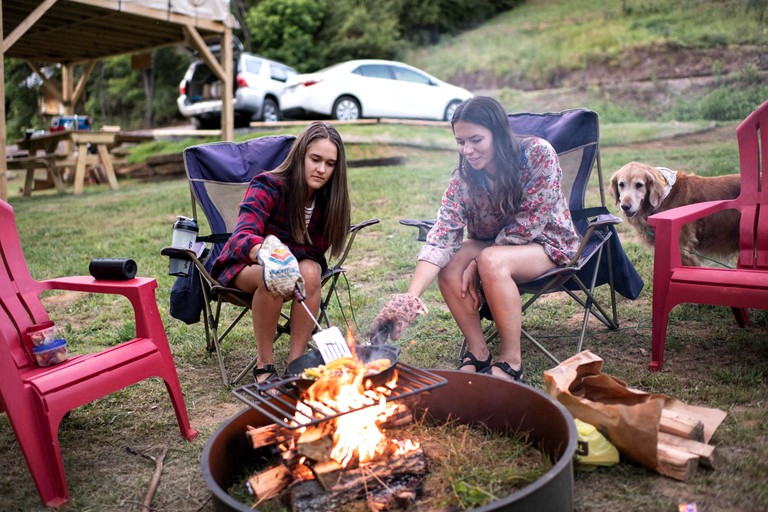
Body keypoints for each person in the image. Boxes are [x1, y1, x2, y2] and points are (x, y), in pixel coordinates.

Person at [370, 96, 581, 382]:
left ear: (498, 133)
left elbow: (529, 223)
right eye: (460, 141)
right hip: (496, 246)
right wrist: (410, 298)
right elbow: (442, 236)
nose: (467, 150)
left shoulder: (537, 154)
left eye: (476, 140)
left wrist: (478, 262)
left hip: (546, 243)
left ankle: (511, 361)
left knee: (489, 260)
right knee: (452, 261)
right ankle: (479, 352)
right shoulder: (464, 180)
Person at [211, 121, 351, 383]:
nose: (321, 169)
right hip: (246, 265)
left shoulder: (327, 200)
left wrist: (292, 260)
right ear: (300, 156)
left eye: (330, 164)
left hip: (294, 270)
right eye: (315, 159)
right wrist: (269, 253)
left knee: (311, 269)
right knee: (275, 276)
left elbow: (314, 253)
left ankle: (295, 366)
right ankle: (264, 366)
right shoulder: (268, 185)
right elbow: (241, 237)